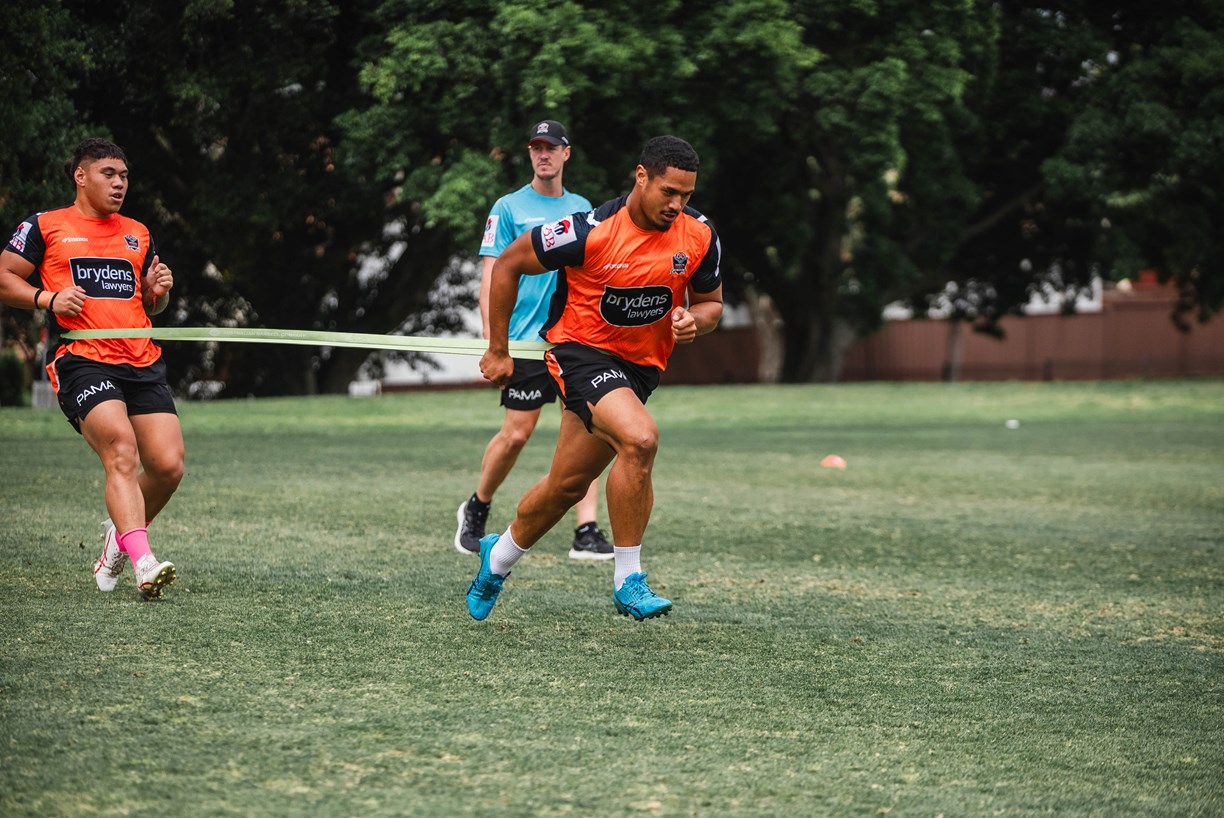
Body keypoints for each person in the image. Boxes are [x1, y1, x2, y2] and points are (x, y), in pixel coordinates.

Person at [467, 135, 723, 621]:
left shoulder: (700, 234)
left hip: (640, 369)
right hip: (580, 354)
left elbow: (712, 304)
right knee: (641, 438)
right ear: (641, 176)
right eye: (669, 192)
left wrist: (697, 321)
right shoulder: (588, 230)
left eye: (687, 196)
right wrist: (498, 350)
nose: (678, 205)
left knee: (566, 486)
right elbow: (509, 264)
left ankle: (496, 558)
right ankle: (630, 579)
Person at [0, 138, 182, 600]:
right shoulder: (46, 226)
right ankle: (142, 562)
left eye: (124, 176)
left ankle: (118, 535)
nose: (119, 183)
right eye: (108, 174)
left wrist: (156, 292)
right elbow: (4, 277)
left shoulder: (138, 232)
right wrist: (48, 298)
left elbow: (144, 305)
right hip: (82, 359)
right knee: (122, 451)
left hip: (141, 360)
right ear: (81, 176)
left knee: (167, 467)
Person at [455, 120, 614, 561]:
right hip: (522, 343)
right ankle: (477, 506)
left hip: (571, 339)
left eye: (552, 147)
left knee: (588, 427)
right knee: (517, 434)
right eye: (536, 147)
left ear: (567, 154)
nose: (543, 154)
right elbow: (491, 275)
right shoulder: (507, 208)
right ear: (530, 154)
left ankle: (586, 529)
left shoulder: (582, 206)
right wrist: (494, 342)